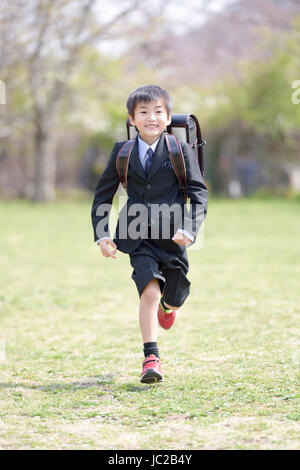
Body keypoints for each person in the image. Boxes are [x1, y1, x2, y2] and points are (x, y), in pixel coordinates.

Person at [91, 84, 208, 383]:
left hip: (173, 236)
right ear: (132, 119)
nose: (151, 117)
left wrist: (190, 230)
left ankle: (170, 306)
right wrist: (102, 234)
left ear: (168, 117)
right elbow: (103, 195)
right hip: (136, 236)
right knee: (150, 293)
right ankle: (151, 358)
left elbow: (198, 193)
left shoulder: (178, 150)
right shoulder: (122, 151)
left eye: (158, 111)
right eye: (143, 112)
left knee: (174, 295)